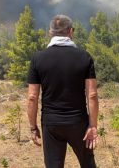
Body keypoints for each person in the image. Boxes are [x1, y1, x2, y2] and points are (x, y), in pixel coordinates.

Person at [27, 15, 99, 168]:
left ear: (50, 32)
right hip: (78, 123)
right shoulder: (84, 57)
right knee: (88, 164)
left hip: (51, 124)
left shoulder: (38, 59)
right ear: (70, 31)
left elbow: (32, 97)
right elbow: (92, 95)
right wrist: (92, 126)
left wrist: (33, 127)